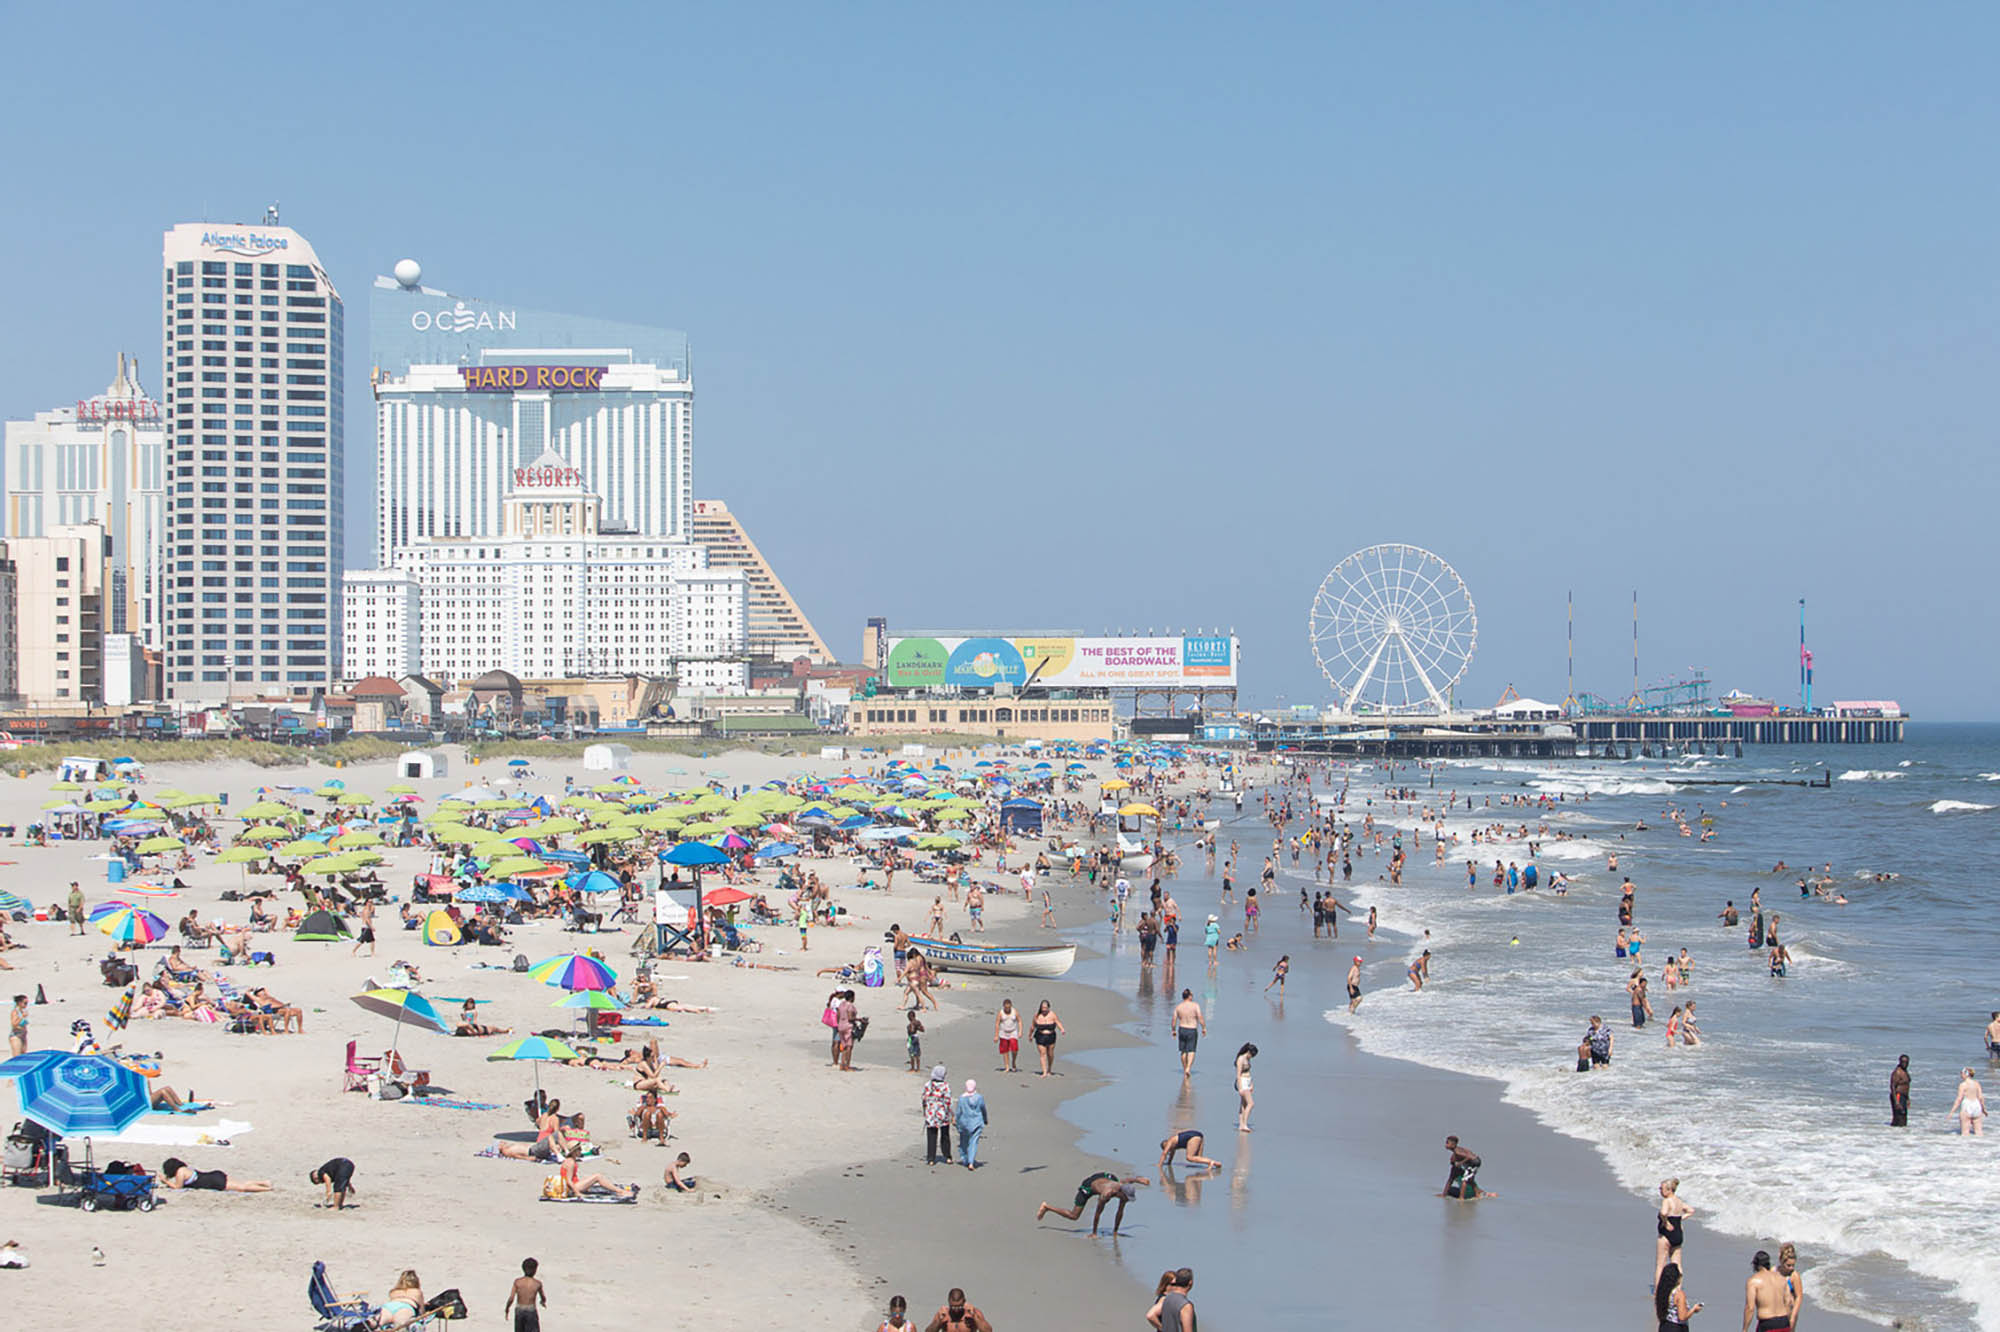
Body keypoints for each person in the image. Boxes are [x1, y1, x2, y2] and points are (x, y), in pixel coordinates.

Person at [1035, 1171, 1151, 1235]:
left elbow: (1128, 1181)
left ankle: (1115, 1230)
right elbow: (1098, 1213)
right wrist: (1094, 1233)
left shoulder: (1123, 1187)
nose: (1126, 1199)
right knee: (1074, 1216)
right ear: (1121, 1193)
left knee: (1117, 1184)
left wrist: (1139, 1180)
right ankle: (1047, 1207)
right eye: (1126, 1197)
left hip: (1104, 1177)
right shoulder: (1107, 1194)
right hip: (1089, 1186)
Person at [1656, 1178, 1693, 1288]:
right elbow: (1691, 1210)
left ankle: (1658, 1291)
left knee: (1660, 1265)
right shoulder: (1679, 1201)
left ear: (1669, 1190)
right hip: (1678, 1232)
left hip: (1666, 1234)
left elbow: (1663, 1212)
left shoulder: (1667, 1201)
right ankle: (1678, 1289)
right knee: (1677, 1264)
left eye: (1661, 1188)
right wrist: (1680, 1219)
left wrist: (1665, 1222)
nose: (1660, 1190)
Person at [1743, 1249, 1792, 1332]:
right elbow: (1788, 1302)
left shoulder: (1753, 1281)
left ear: (1756, 1265)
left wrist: (1745, 1329)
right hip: (1784, 1323)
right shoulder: (1782, 1278)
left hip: (1767, 1324)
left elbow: (1750, 1308)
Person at [159, 1158, 271, 1192]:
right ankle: (264, 1182)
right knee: (240, 1183)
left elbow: (178, 1187)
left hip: (214, 1182)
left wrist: (166, 1181)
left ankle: (267, 1189)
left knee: (242, 1188)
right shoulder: (184, 1169)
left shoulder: (180, 1173)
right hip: (214, 1175)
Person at [1440, 1135, 1493, 1199]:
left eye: (1447, 1143)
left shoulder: (1458, 1152)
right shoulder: (1457, 1152)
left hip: (1474, 1163)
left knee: (1465, 1180)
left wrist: (1460, 1163)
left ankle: (1462, 1197)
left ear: (1453, 1144)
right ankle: (1478, 1194)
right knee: (1470, 1180)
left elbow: (1469, 1156)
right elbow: (1467, 1153)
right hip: (1473, 1162)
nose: (1445, 1145)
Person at [1147, 1267, 1197, 1332]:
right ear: (1190, 1283)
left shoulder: (1166, 1299)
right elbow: (1150, 1315)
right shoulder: (1185, 1305)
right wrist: (1161, 1328)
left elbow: (1150, 1315)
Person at [922, 1065, 954, 1165]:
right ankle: (947, 1156)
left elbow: (924, 1099)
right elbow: (948, 1101)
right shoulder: (945, 1086)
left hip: (931, 1113)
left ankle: (931, 1158)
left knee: (931, 1136)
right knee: (945, 1135)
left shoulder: (928, 1085)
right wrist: (951, 1114)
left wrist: (925, 1110)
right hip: (943, 1113)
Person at [1657, 1261, 1702, 1331]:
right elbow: (1682, 1317)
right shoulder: (1679, 1294)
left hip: (1664, 1326)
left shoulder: (1662, 1292)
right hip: (1676, 1328)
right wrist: (1693, 1309)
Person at [504, 1257, 547, 1332]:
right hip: (531, 1310)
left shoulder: (517, 1282)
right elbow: (543, 1297)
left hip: (519, 1309)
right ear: (535, 1270)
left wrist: (507, 1308)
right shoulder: (537, 1283)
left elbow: (511, 1298)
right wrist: (542, 1302)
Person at [923, 1288, 993, 1332]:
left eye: (959, 1307)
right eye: (953, 1307)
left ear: (964, 1302)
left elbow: (988, 1330)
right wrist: (939, 1320)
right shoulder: (943, 1315)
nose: (956, 1310)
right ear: (949, 1302)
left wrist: (974, 1316)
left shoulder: (972, 1313)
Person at [955, 1079, 988, 1170]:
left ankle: (965, 1159)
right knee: (974, 1142)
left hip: (964, 1123)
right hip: (977, 1122)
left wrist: (956, 1121)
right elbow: (983, 1109)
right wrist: (985, 1119)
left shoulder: (962, 1098)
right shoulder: (979, 1097)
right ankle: (971, 1161)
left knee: (963, 1142)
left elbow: (958, 1111)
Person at [1173, 989, 1206, 1076]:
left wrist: (1173, 1030)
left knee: (1183, 1051)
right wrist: (1204, 1027)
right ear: (1190, 996)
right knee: (1191, 1050)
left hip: (1182, 1028)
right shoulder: (1195, 1006)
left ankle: (1185, 1068)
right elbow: (1200, 1017)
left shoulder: (1178, 1007)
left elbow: (1174, 1020)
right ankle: (1188, 1068)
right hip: (1192, 1029)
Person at [1030, 999, 1065, 1076]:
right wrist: (1030, 1035)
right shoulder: (1037, 1015)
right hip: (1040, 1036)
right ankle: (1044, 1072)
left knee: (1050, 1053)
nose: (1044, 1009)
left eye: (1045, 1008)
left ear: (1049, 1008)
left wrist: (1062, 1029)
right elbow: (1032, 1027)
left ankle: (1049, 1069)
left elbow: (1058, 1022)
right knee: (1043, 1053)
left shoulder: (1052, 1014)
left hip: (1051, 1036)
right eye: (1043, 1008)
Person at [1949, 1067, 1986, 1135]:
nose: (1960, 1075)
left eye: (1961, 1073)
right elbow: (1981, 1097)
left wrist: (1952, 1112)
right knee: (1979, 1132)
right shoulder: (1977, 1084)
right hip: (1977, 1106)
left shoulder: (1963, 1085)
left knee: (1965, 1133)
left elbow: (1959, 1099)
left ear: (1966, 1074)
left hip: (1967, 1106)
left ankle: (1966, 1145)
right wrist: (1983, 1109)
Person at [1777, 1243, 1805, 1331]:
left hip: (1788, 1314)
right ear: (1781, 1261)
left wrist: (1793, 1316)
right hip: (1774, 1313)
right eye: (1788, 1265)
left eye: (1793, 1265)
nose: (1791, 1268)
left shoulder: (1794, 1276)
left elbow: (1799, 1297)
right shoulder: (1774, 1271)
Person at [1234, 1043, 1257, 1132]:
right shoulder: (1240, 1059)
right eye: (1251, 1054)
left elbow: (1248, 1072)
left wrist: (1251, 1084)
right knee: (1250, 1103)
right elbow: (1238, 1075)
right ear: (1248, 1052)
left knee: (1243, 1104)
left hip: (1247, 1081)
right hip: (1242, 1082)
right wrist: (1240, 1088)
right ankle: (1244, 1124)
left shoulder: (1247, 1059)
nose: (1251, 1057)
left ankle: (1241, 1124)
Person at [994, 999, 1021, 1073]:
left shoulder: (1014, 1011)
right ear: (1004, 1006)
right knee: (1005, 1050)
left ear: (1011, 1006)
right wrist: (996, 1035)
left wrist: (1020, 1031)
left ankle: (1013, 1062)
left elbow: (1019, 1021)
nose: (1007, 1009)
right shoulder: (1001, 1013)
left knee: (1014, 1047)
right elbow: (997, 1023)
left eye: (1008, 1007)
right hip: (1003, 1033)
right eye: (1006, 1007)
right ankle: (1007, 1066)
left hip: (1013, 1032)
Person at [1889, 1054, 1911, 1127]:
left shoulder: (1905, 1071)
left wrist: (1907, 1099)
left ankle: (1902, 1135)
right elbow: (1892, 1087)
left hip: (1903, 1096)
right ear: (1900, 1062)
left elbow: (1906, 1086)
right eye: (1903, 1062)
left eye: (1906, 1062)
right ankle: (1895, 1134)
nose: (1905, 1064)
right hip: (1898, 1096)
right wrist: (1896, 1102)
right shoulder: (1897, 1072)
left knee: (1904, 1116)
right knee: (1899, 1116)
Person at [906, 1008, 925, 1074]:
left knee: (912, 1053)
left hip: (912, 1038)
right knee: (916, 1054)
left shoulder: (913, 1023)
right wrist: (918, 1027)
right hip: (915, 1037)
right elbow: (922, 1029)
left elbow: (912, 1031)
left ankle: (913, 1068)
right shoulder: (917, 1022)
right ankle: (917, 1068)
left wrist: (913, 1026)